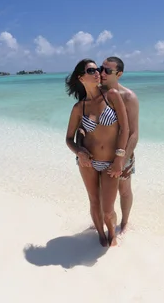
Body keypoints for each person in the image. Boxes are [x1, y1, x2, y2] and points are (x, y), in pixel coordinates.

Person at [64, 58, 130, 247]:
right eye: (92, 70)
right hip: (88, 163)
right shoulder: (79, 107)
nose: (97, 73)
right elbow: (68, 139)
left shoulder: (112, 96)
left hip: (110, 163)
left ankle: (112, 232)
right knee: (94, 201)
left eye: (98, 70)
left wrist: (120, 158)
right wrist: (80, 152)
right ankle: (101, 234)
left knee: (108, 209)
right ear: (81, 77)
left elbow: (125, 129)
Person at [99, 56, 139, 234]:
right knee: (104, 192)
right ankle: (106, 221)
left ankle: (124, 223)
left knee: (124, 189)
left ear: (119, 74)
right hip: (101, 154)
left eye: (108, 71)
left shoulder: (128, 97)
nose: (102, 73)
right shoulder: (98, 93)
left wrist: (122, 159)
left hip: (123, 154)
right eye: (102, 69)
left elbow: (133, 133)